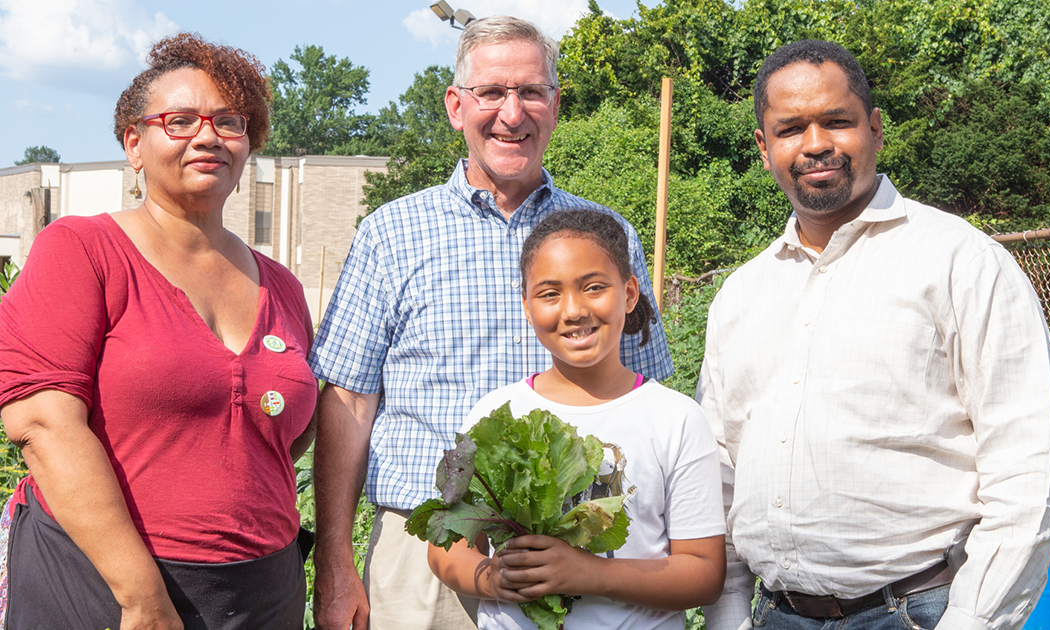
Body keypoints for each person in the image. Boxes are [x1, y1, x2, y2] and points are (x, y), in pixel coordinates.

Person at [309, 15, 674, 630]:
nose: (513, 112)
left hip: (579, 544)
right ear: (456, 106)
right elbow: (347, 403)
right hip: (425, 547)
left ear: (555, 107)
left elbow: (648, 394)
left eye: (531, 91)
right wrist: (336, 562)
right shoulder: (390, 235)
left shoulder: (606, 236)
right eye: (492, 93)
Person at [696, 39, 1050, 630]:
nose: (816, 144)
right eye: (791, 128)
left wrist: (972, 622)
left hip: (920, 611)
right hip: (775, 615)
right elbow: (720, 473)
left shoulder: (960, 261)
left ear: (873, 128)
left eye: (837, 121)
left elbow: (1028, 468)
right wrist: (726, 615)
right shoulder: (742, 295)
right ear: (764, 146)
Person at [0, 33, 316, 630]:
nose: (207, 136)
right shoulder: (82, 251)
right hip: (106, 587)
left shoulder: (283, 287)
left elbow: (279, 435)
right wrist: (141, 596)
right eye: (180, 120)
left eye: (229, 121)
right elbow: (43, 426)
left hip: (262, 590)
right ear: (133, 145)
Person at [429, 209, 726, 630]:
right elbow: (447, 546)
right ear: (527, 306)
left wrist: (590, 575)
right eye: (549, 294)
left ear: (629, 293)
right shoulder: (495, 415)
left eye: (594, 287)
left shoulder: (676, 418)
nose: (573, 310)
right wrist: (495, 579)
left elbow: (703, 573)